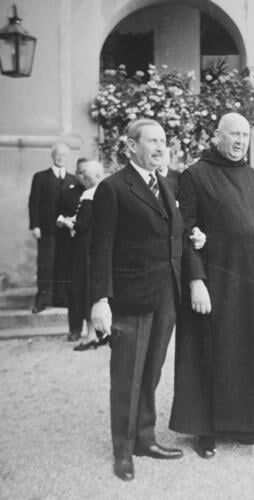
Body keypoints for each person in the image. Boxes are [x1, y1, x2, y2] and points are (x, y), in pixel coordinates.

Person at [169, 112, 254, 459]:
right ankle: (205, 430)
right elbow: (186, 232)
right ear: (217, 136)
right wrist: (196, 280)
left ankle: (247, 423)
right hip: (216, 282)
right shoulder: (195, 175)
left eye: (245, 135)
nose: (240, 140)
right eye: (233, 134)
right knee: (208, 352)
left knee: (248, 353)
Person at [89, 118, 184, 481]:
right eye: (152, 141)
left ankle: (145, 438)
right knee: (127, 377)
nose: (160, 147)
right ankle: (123, 450)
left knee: (152, 372)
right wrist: (100, 298)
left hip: (166, 295)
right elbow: (101, 248)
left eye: (163, 140)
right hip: (130, 297)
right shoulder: (113, 188)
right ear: (131, 146)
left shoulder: (168, 182)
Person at [28, 143, 84, 315]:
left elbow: (76, 205)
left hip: (66, 231)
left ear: (68, 158)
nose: (61, 158)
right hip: (46, 229)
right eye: (58, 155)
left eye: (64, 155)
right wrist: (35, 225)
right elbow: (34, 203)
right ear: (52, 156)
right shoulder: (41, 177)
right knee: (45, 263)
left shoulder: (72, 179)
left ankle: (60, 298)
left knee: (64, 262)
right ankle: (42, 298)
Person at [64, 160, 106, 351]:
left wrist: (67, 223)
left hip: (85, 250)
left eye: (87, 178)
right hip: (96, 247)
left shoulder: (89, 195)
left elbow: (82, 226)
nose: (85, 181)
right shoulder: (105, 192)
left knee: (86, 290)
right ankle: (100, 333)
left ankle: (91, 335)